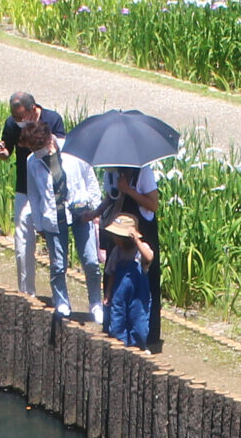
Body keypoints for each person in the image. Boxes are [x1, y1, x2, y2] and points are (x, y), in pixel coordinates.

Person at [11, 122, 100, 317]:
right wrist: (38, 224)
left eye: (37, 148)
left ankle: (95, 302)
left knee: (90, 261)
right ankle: (61, 301)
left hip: (81, 211)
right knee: (58, 264)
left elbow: (90, 179)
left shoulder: (73, 150)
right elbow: (34, 195)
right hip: (53, 215)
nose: (36, 153)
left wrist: (96, 211)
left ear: (48, 140)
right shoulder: (32, 161)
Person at [101, 211, 155, 347]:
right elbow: (111, 272)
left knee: (139, 320)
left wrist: (137, 241)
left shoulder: (140, 250)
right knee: (118, 317)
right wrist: (108, 293)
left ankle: (138, 345)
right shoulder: (117, 252)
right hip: (119, 294)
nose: (116, 240)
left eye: (119, 237)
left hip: (139, 295)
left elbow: (149, 257)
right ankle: (120, 343)